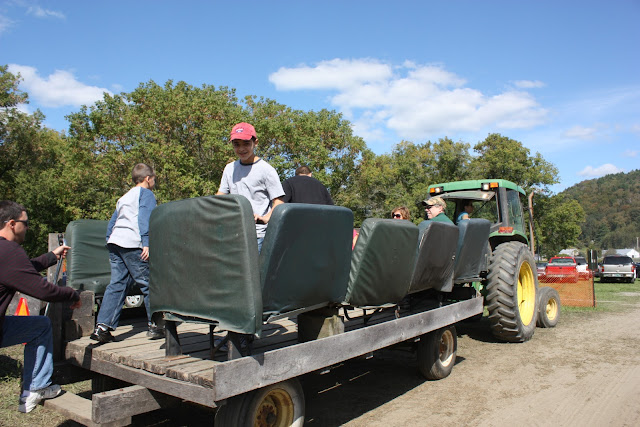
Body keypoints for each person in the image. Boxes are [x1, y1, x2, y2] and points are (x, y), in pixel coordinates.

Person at [0, 200, 82, 413]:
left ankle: (35, 389)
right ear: (11, 224)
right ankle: (36, 388)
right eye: (25, 223)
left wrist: (51, 257)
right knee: (41, 326)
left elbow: (19, 270)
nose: (28, 228)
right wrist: (72, 294)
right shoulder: (9, 250)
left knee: (39, 325)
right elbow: (44, 291)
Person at [91, 163, 162, 343]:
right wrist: (146, 243)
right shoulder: (146, 194)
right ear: (148, 179)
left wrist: (109, 240)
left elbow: (113, 222)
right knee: (149, 283)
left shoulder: (124, 197)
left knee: (117, 284)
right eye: (154, 179)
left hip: (116, 242)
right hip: (133, 243)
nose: (154, 183)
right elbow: (145, 218)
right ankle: (155, 325)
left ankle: (102, 327)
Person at [216, 122, 285, 252]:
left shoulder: (266, 170)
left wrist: (265, 218)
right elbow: (220, 197)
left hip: (257, 236)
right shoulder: (229, 168)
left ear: (255, 143)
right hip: (233, 233)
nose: (241, 148)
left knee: (253, 266)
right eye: (237, 144)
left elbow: (279, 202)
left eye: (246, 143)